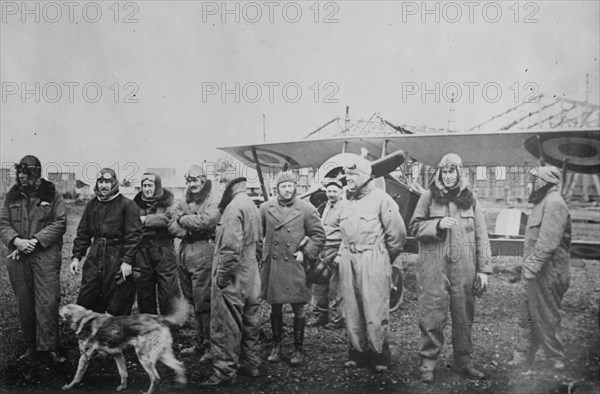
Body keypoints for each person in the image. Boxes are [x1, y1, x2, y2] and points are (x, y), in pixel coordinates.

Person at [409, 153, 491, 382]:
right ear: (439, 173)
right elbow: (414, 227)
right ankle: (428, 363)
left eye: (451, 171)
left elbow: (482, 237)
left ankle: (465, 361)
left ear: (459, 173)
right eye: (444, 171)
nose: (447, 176)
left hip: (464, 268)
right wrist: (436, 224)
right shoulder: (428, 196)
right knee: (432, 313)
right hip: (434, 267)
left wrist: (484, 270)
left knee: (464, 315)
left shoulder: (470, 199)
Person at [337, 155, 405, 373]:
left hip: (373, 258)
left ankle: (379, 355)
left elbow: (397, 235)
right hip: (349, 257)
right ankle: (357, 353)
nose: (348, 178)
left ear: (366, 177)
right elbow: (343, 233)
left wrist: (384, 259)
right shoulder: (345, 200)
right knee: (352, 308)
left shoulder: (382, 199)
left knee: (375, 308)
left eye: (353, 175)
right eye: (347, 174)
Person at [0, 155, 67, 363]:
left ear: (37, 173)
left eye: (26, 173)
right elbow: (2, 223)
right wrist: (17, 241)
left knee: (47, 301)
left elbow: (60, 222)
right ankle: (32, 347)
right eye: (19, 173)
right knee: (25, 303)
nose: (21, 177)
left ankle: (49, 348)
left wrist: (35, 241)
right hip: (19, 257)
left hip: (45, 257)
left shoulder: (52, 194)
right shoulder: (12, 196)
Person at [200, 177, 262, 387]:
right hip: (251, 270)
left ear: (229, 186)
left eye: (220, 186)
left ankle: (224, 371)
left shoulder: (233, 208)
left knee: (226, 323)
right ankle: (251, 363)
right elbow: (258, 242)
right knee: (250, 321)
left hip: (234, 273)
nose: (218, 191)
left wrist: (222, 279)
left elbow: (230, 248)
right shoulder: (251, 204)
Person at [259, 171, 325, 366]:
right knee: (276, 306)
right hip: (274, 265)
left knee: (299, 307)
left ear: (295, 187)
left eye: (290, 186)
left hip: (296, 265)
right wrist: (258, 256)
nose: (287, 190)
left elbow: (319, 236)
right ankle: (276, 346)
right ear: (277, 188)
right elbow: (256, 234)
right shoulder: (265, 208)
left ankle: (298, 349)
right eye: (283, 186)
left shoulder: (306, 208)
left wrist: (306, 251)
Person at [507, 166, 571, 370]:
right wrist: (524, 268)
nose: (528, 186)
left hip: (549, 273)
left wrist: (530, 267)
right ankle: (522, 357)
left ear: (542, 182)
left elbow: (548, 242)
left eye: (531, 181)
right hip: (535, 272)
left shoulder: (554, 203)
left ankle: (555, 360)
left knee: (547, 317)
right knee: (525, 315)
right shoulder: (541, 203)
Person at [70, 168, 142, 316]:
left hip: (117, 256)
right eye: (100, 182)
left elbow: (134, 236)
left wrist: (127, 260)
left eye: (107, 182)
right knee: (87, 298)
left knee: (117, 302)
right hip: (95, 256)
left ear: (114, 183)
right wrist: (76, 257)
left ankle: (115, 337)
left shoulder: (127, 205)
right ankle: (91, 336)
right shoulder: (92, 205)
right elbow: (83, 233)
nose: (103, 186)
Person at [168, 164, 221, 360]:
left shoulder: (213, 199)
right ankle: (199, 342)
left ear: (204, 180)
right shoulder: (184, 200)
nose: (193, 184)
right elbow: (171, 224)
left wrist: (184, 220)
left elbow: (207, 222)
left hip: (203, 250)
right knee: (191, 298)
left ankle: (209, 345)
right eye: (189, 180)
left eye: (196, 179)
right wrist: (188, 226)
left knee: (203, 300)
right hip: (184, 252)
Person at [133, 172, 181, 315]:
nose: (147, 189)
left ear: (158, 186)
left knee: (168, 291)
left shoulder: (170, 201)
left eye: (150, 185)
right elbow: (130, 224)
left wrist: (144, 220)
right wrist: (156, 223)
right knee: (144, 293)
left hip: (164, 252)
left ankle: (171, 328)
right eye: (144, 185)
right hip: (142, 252)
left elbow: (169, 219)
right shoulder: (135, 204)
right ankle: (149, 329)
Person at [307, 177, 345, 330]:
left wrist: (341, 254)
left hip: (336, 249)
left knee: (336, 286)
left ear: (341, 192)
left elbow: (347, 234)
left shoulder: (344, 208)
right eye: (329, 191)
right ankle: (319, 315)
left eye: (334, 191)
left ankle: (338, 319)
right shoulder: (327, 206)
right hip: (323, 248)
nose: (331, 194)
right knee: (319, 282)